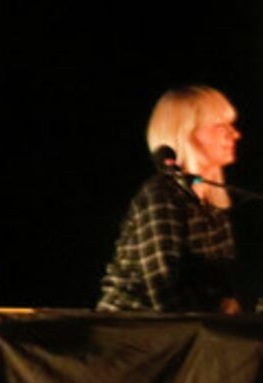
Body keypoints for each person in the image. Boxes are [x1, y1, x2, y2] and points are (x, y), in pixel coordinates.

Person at [97, 85, 244, 313]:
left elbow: (224, 287)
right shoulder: (161, 195)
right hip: (131, 333)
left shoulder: (214, 205)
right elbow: (164, 292)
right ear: (185, 133)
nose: (234, 134)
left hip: (186, 333)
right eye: (219, 126)